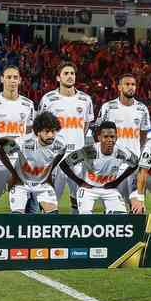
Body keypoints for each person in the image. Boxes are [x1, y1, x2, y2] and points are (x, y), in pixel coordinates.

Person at [38, 61, 94, 214]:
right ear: (58, 78)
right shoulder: (48, 99)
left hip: (78, 157)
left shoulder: (86, 99)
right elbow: (40, 127)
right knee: (50, 201)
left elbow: (86, 124)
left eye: (72, 73)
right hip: (55, 157)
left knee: (79, 200)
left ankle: (76, 234)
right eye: (66, 73)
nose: (70, 76)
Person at [0, 65, 35, 209]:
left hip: (20, 160)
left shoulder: (28, 104)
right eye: (9, 77)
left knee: (22, 204)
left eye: (15, 77)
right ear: (2, 79)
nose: (12, 80)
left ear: (20, 80)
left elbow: (29, 133)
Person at [96, 73, 151, 211]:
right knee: (113, 208)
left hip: (134, 165)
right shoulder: (108, 107)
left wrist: (138, 152)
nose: (130, 87)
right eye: (127, 84)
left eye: (133, 84)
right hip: (112, 164)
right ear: (119, 87)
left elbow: (143, 134)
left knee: (137, 207)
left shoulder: (142, 109)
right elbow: (98, 132)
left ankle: (137, 232)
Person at [59, 121, 138, 214]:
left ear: (116, 137)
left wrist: (117, 181)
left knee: (120, 218)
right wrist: (79, 182)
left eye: (112, 137)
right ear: (99, 138)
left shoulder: (122, 152)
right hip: (88, 189)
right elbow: (64, 164)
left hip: (109, 189)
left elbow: (135, 164)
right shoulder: (88, 151)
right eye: (106, 137)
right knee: (86, 217)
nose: (109, 140)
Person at [0, 112, 66, 214]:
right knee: (17, 216)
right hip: (21, 184)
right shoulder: (23, 142)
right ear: (38, 132)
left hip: (41, 184)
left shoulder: (61, 144)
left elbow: (61, 153)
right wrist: (14, 174)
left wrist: (48, 173)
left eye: (53, 131)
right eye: (47, 132)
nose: (51, 135)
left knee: (53, 215)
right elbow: (0, 151)